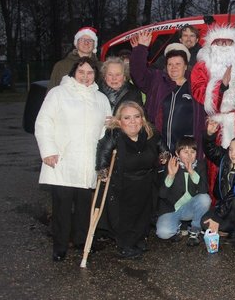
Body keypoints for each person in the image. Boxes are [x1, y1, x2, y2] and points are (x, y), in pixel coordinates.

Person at [35, 57, 111, 262]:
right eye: (81, 72)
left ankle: (81, 240)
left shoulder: (101, 98)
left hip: (88, 162)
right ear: (73, 73)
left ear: (95, 75)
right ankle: (59, 246)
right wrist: (48, 150)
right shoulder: (58, 94)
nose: (85, 77)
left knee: (85, 205)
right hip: (63, 160)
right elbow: (43, 122)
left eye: (90, 73)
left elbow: (105, 130)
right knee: (62, 207)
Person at [95, 101, 169, 259]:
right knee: (125, 216)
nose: (133, 121)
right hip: (123, 183)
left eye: (136, 116)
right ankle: (125, 245)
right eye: (127, 118)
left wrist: (164, 154)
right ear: (119, 120)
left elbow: (161, 146)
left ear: (142, 118)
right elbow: (104, 151)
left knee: (144, 213)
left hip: (146, 181)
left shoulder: (150, 132)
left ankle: (138, 240)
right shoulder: (113, 134)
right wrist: (102, 170)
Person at [130, 33, 201, 152]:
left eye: (178, 64)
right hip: (158, 148)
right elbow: (138, 74)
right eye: (170, 64)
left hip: (186, 151)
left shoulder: (195, 86)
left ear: (185, 66)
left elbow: (202, 119)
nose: (173, 67)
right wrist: (141, 48)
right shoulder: (157, 80)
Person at [201, 123, 235, 253]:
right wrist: (209, 135)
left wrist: (217, 218)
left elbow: (233, 195)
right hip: (224, 206)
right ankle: (230, 230)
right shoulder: (225, 158)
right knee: (204, 222)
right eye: (230, 149)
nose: (233, 154)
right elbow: (210, 150)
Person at [155, 136, 211, 247]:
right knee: (163, 233)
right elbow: (162, 194)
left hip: (190, 208)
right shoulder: (170, 165)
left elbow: (204, 189)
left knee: (205, 199)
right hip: (171, 208)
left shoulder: (200, 165)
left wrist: (192, 172)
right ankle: (177, 228)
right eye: (185, 152)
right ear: (177, 153)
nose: (189, 155)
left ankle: (195, 230)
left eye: (192, 151)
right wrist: (171, 175)